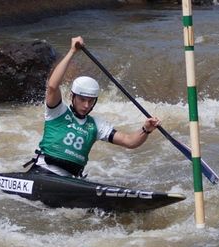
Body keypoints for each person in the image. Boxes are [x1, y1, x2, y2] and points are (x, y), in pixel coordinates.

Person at [26, 36, 161, 177]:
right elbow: (53, 86)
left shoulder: (97, 125)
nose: (86, 105)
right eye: (82, 99)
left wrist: (146, 129)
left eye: (91, 101)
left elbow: (129, 142)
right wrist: (72, 51)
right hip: (42, 173)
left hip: (70, 180)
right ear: (73, 96)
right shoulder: (58, 111)